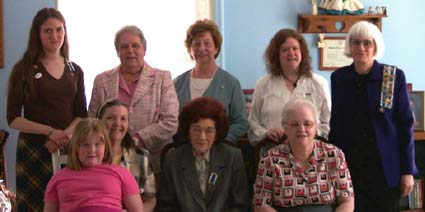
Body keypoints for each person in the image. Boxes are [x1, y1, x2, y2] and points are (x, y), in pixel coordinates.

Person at [329, 21, 418, 211]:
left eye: (367, 43)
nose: (361, 47)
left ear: (375, 46)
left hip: (386, 170)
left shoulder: (393, 76)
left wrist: (407, 171)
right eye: (356, 42)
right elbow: (336, 125)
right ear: (349, 46)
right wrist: (333, 168)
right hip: (351, 168)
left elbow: (405, 126)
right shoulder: (339, 78)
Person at [6, 8, 87, 211]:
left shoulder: (74, 70)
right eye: (48, 31)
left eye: (59, 30)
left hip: (68, 150)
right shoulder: (23, 70)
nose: (55, 36)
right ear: (37, 34)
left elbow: (81, 115)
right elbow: (14, 119)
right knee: (34, 205)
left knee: (68, 204)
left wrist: (63, 137)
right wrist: (50, 132)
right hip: (34, 150)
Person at [88, 25, 179, 175]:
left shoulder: (162, 78)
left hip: (153, 163)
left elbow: (170, 122)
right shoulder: (102, 80)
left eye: (135, 45)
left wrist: (135, 141)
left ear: (144, 49)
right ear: (117, 51)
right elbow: (92, 121)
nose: (130, 50)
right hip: (108, 162)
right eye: (124, 46)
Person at [253, 99, 354, 212]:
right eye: (295, 124)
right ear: (285, 128)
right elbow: (261, 204)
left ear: (316, 127)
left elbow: (347, 201)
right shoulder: (270, 159)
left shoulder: (334, 155)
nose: (301, 129)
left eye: (308, 124)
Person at [158, 97, 249, 211]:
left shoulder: (232, 157)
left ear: (217, 133)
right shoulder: (173, 158)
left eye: (209, 130)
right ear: (188, 131)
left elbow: (240, 205)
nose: (202, 137)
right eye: (196, 129)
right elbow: (166, 206)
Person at [248, 29, 330, 154]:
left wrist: (310, 132)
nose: (291, 53)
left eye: (295, 48)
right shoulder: (263, 84)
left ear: (302, 52)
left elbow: (328, 122)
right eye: (285, 50)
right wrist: (265, 133)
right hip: (273, 152)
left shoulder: (319, 83)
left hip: (311, 152)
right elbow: (253, 122)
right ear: (277, 55)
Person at [174, 19, 248, 144]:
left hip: (219, 152)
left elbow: (241, 122)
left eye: (207, 44)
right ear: (190, 49)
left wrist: (219, 142)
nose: (201, 48)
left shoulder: (232, 84)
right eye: (196, 44)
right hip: (183, 152)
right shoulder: (176, 84)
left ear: (216, 48)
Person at [43, 118, 143, 212]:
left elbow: (137, 210)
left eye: (98, 144)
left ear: (106, 147)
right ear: (76, 148)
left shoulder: (120, 173)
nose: (92, 150)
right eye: (85, 145)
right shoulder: (59, 178)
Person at [97, 99, 156, 211]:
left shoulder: (141, 156)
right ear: (99, 122)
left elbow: (150, 199)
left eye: (123, 119)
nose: (117, 123)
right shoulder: (90, 156)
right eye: (111, 118)